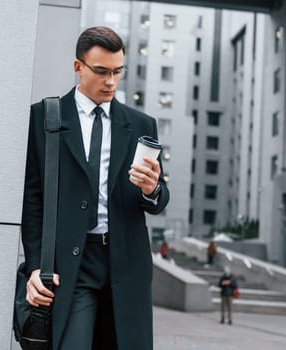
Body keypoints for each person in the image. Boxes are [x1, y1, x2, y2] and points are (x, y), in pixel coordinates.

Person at [21, 26, 169, 349]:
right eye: (102, 72)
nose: (111, 82)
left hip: (127, 263)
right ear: (78, 67)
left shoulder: (142, 125)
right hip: (73, 263)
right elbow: (33, 201)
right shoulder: (46, 118)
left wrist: (152, 188)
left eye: (118, 71)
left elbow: (159, 200)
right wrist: (34, 266)